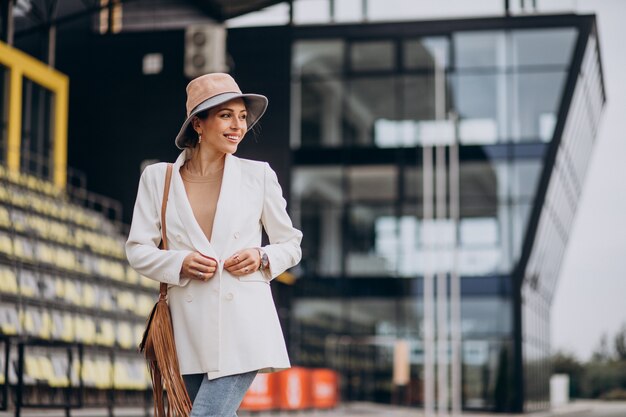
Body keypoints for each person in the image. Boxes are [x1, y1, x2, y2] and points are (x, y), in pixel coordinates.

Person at [125, 73, 302, 416]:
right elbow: (137, 250)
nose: (238, 125)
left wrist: (261, 255)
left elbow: (291, 243)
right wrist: (179, 262)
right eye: (225, 116)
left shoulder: (258, 175)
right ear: (198, 124)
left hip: (244, 326)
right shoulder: (157, 178)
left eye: (242, 117)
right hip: (188, 327)